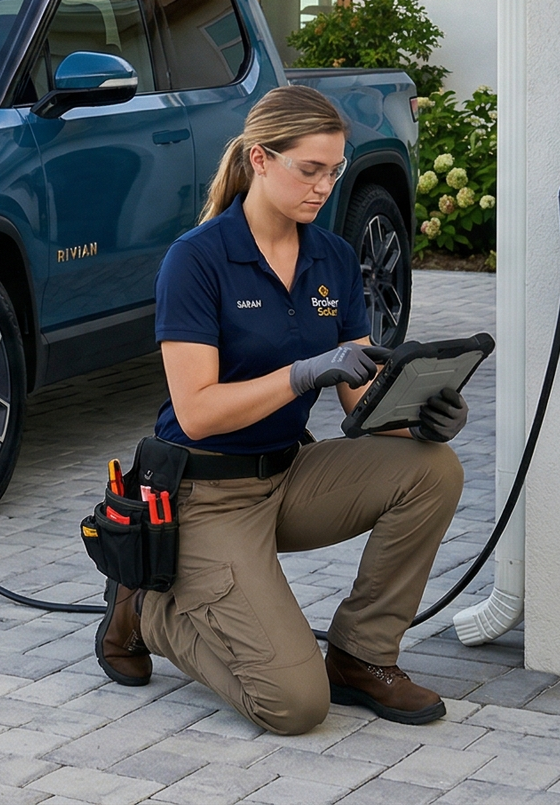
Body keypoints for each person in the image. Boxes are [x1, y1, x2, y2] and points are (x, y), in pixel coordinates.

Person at [94, 84, 470, 733]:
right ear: (261, 160)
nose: (324, 187)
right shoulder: (198, 260)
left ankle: (360, 657)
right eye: (310, 169)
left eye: (335, 170)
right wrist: (300, 374)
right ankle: (147, 608)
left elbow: (361, 398)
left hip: (287, 476)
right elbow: (198, 412)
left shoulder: (333, 259)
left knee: (432, 467)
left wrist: (422, 415)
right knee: (294, 706)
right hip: (204, 494)